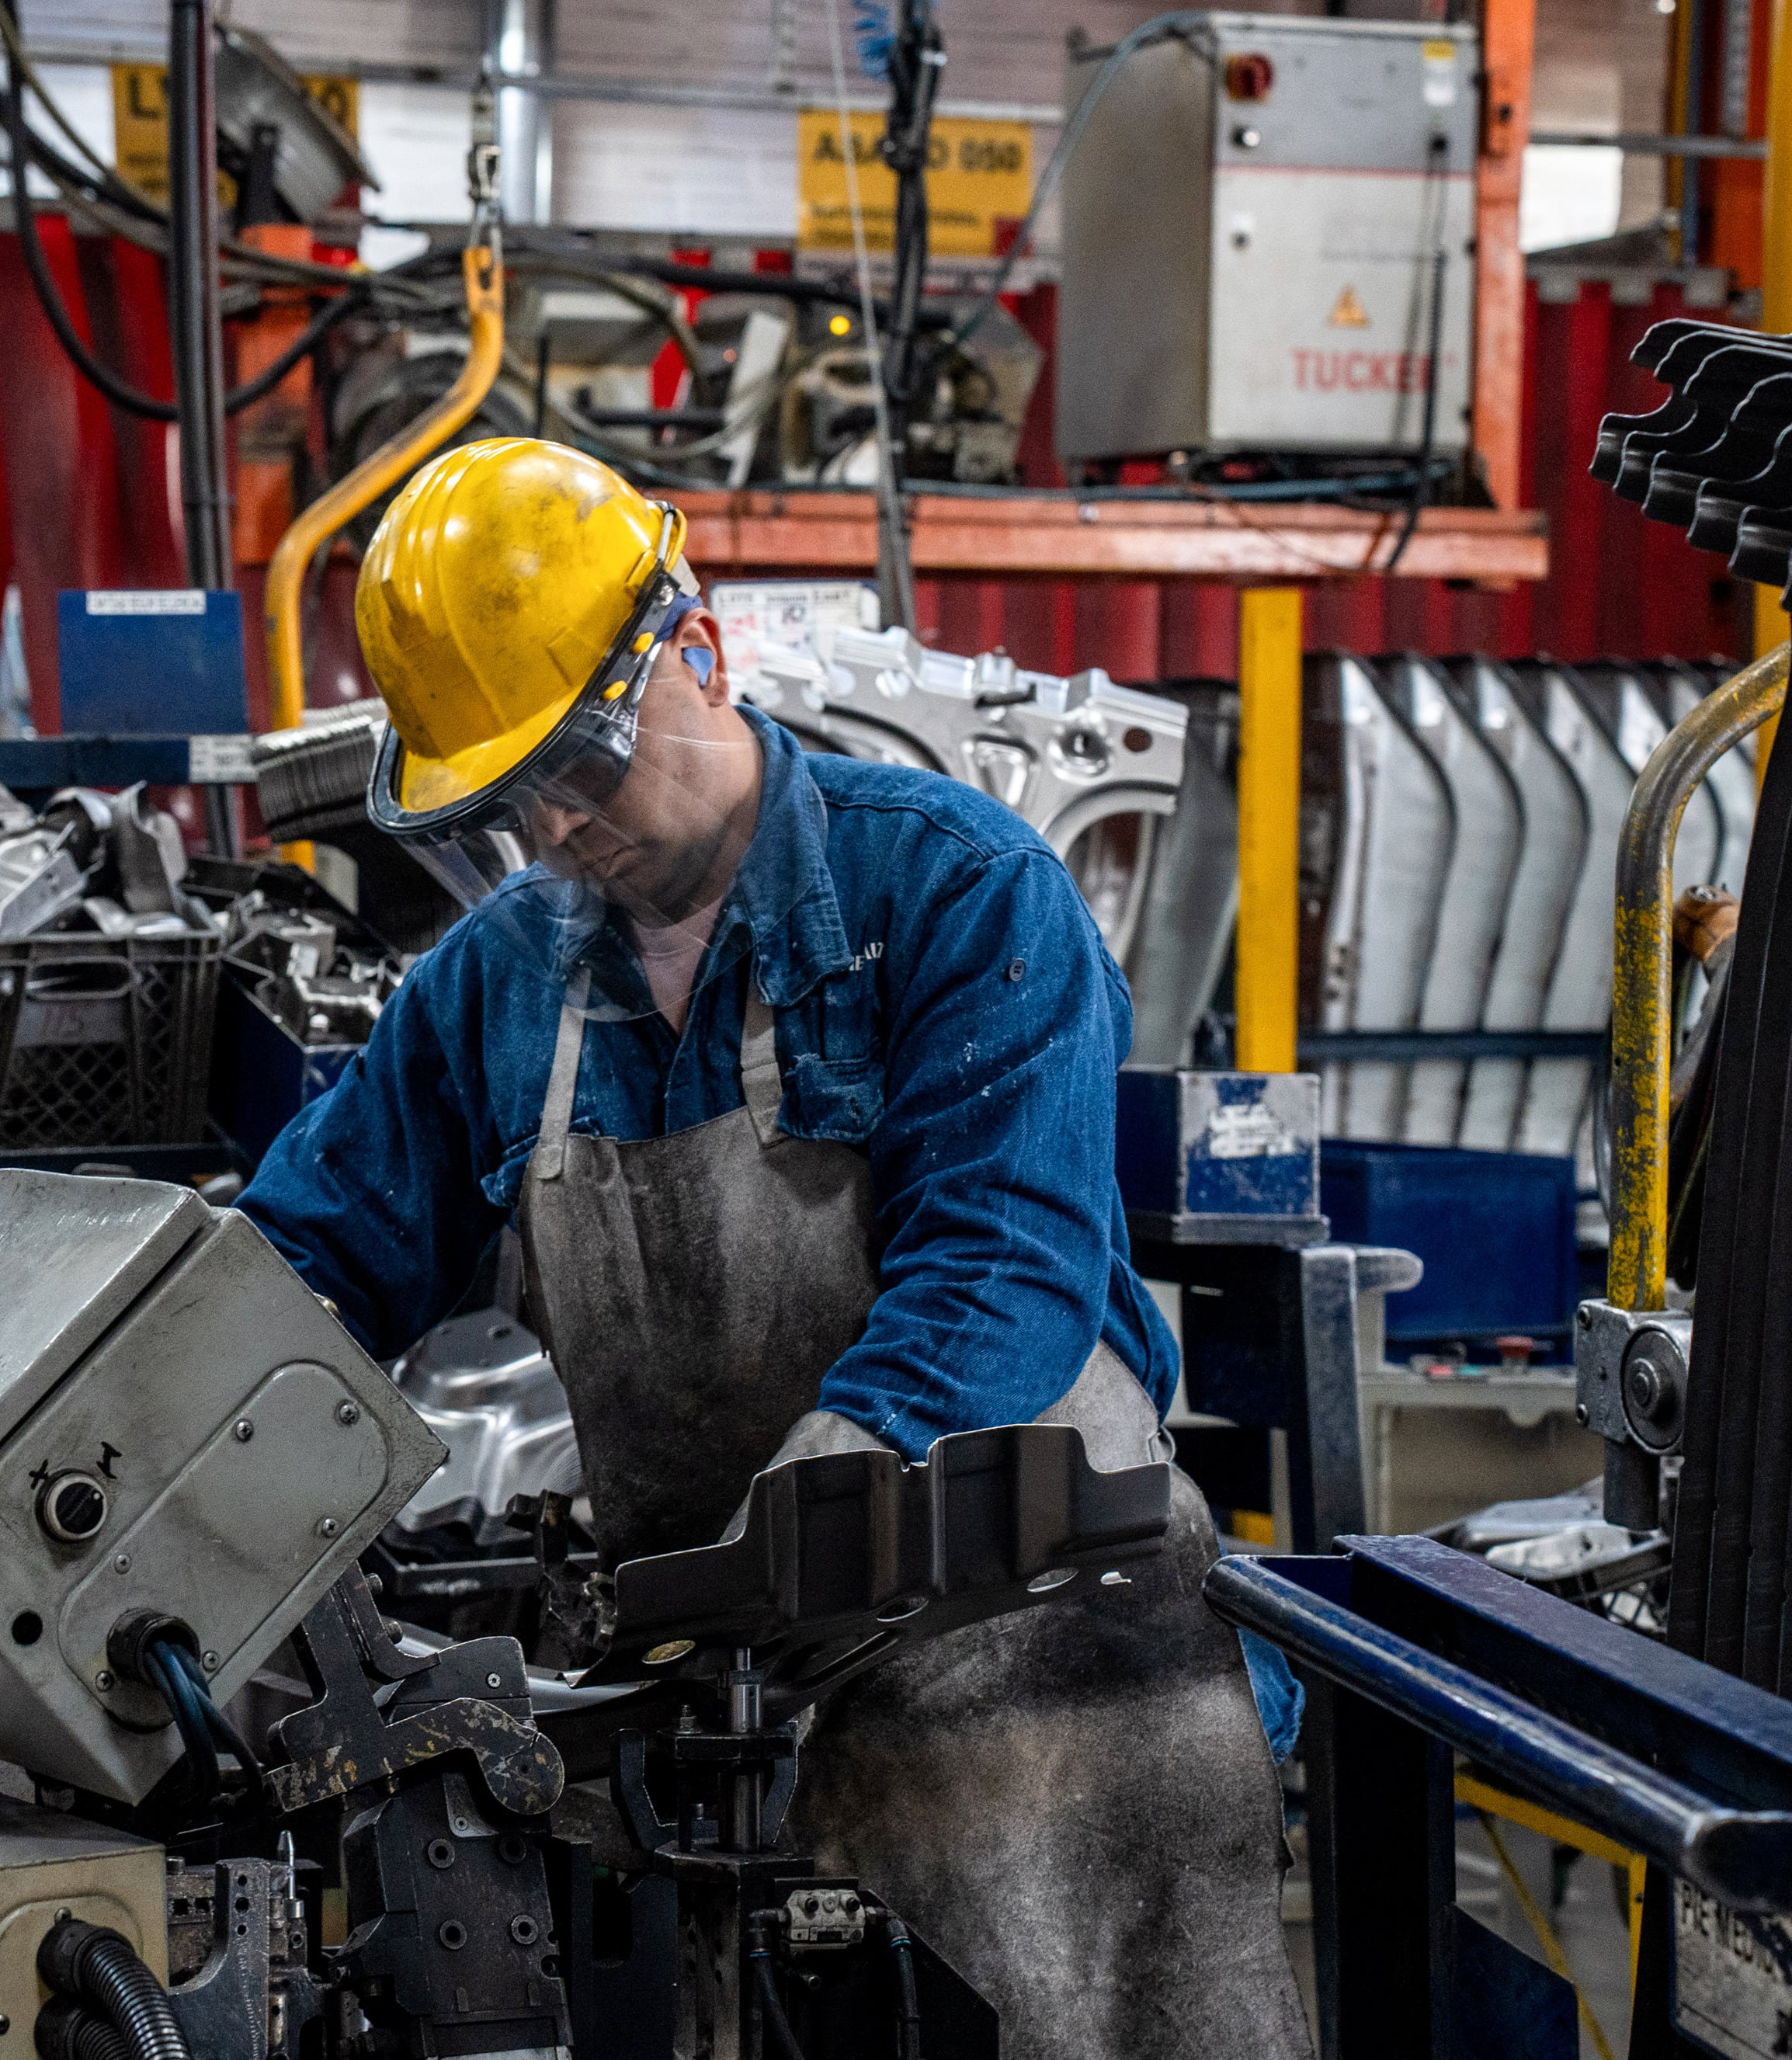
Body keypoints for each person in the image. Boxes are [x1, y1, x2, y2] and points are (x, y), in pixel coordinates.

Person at [232, 439, 1310, 2058]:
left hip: (1029, 1623)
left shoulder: (954, 890)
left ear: (697, 651)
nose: (557, 824)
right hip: (707, 1650)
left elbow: (1000, 1263)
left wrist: (822, 1491)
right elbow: (312, 1258)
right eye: (507, 793)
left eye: (580, 760)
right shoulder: (492, 985)